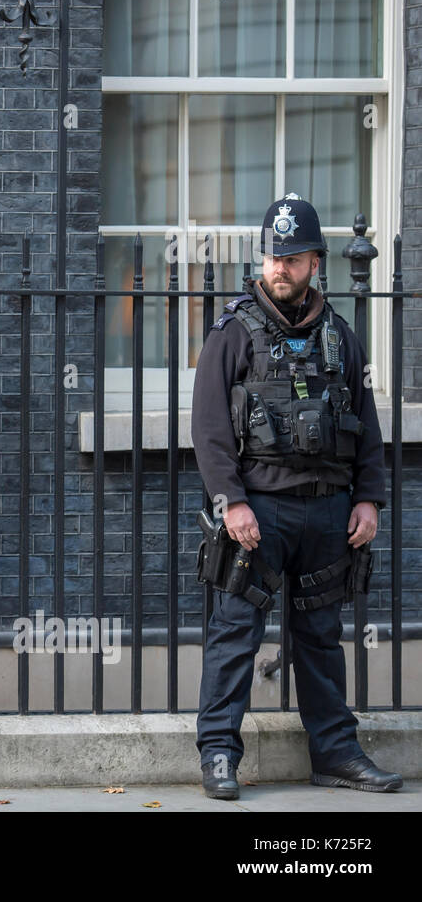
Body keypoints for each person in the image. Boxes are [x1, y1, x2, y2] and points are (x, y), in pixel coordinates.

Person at [191, 193, 401, 798]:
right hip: (258, 512)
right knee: (235, 633)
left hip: (328, 514)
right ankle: (219, 755)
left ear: (315, 261)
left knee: (320, 639)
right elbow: (208, 429)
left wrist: (369, 499)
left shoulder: (341, 336)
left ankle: (335, 754)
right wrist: (231, 502)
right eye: (272, 257)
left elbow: (365, 422)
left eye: (292, 257)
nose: (279, 267)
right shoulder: (232, 334)